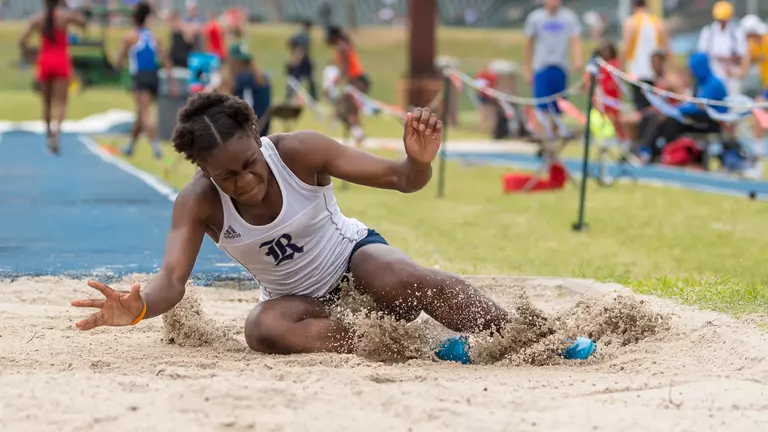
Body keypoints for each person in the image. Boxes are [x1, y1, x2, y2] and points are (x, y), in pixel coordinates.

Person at [69, 93, 518, 357]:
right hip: (307, 310)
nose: (245, 183)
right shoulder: (198, 202)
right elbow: (171, 279)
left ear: (258, 138)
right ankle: (415, 348)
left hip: (359, 265)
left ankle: (520, 337)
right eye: (227, 176)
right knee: (261, 329)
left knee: (398, 274)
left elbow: (402, 179)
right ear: (205, 172)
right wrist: (142, 306)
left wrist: (418, 161)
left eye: (249, 164)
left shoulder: (300, 152)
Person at [18, 0, 88, 154]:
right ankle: (56, 137)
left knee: (46, 103)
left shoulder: (38, 19)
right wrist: (70, 8)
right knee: (61, 103)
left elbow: (22, 40)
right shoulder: (64, 17)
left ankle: (49, 136)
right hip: (61, 60)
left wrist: (29, 56)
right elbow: (83, 23)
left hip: (45, 61)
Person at [637, 52, 727, 163]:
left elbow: (699, 107)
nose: (692, 72)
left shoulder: (714, 84)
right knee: (653, 117)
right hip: (697, 118)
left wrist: (675, 109)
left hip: (711, 122)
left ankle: (664, 153)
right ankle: (651, 151)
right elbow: (693, 104)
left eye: (693, 68)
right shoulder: (699, 83)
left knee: (671, 120)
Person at [117, 1, 177, 160]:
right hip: (153, 76)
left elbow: (119, 59)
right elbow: (165, 60)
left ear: (134, 18)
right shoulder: (153, 36)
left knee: (144, 114)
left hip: (140, 76)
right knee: (140, 112)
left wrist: (119, 63)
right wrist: (172, 81)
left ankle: (156, 148)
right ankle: (130, 146)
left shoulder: (130, 36)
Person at [523, 0, 583, 139]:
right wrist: (528, 67)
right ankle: (541, 135)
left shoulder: (568, 17)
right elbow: (528, 43)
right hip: (542, 66)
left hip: (560, 66)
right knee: (541, 105)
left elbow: (575, 39)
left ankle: (554, 134)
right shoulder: (535, 17)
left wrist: (577, 58)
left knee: (558, 105)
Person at [619, 0, 672, 111]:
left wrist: (620, 66)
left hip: (636, 71)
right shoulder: (658, 22)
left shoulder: (630, 22)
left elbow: (626, 47)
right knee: (654, 106)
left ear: (633, 6)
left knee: (640, 108)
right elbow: (667, 50)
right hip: (655, 72)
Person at [326, 26, 370, 148]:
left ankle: (359, 134)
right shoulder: (344, 46)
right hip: (354, 82)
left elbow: (345, 70)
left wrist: (337, 80)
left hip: (356, 82)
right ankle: (359, 134)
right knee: (347, 110)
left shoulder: (342, 47)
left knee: (344, 109)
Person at [697, 1, 749, 96]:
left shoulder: (736, 32)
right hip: (713, 73)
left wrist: (730, 60)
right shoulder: (708, 32)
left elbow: (742, 54)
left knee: (733, 98)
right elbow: (702, 54)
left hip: (732, 73)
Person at [232, 50, 272, 136]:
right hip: (264, 122)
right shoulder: (263, 79)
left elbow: (244, 103)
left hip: (249, 124)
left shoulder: (242, 79)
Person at [287, 20, 317, 101]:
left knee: (297, 80)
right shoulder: (304, 36)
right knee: (295, 80)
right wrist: (295, 60)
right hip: (301, 62)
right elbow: (300, 49)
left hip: (304, 61)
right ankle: (290, 97)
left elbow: (290, 42)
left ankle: (290, 96)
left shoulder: (299, 35)